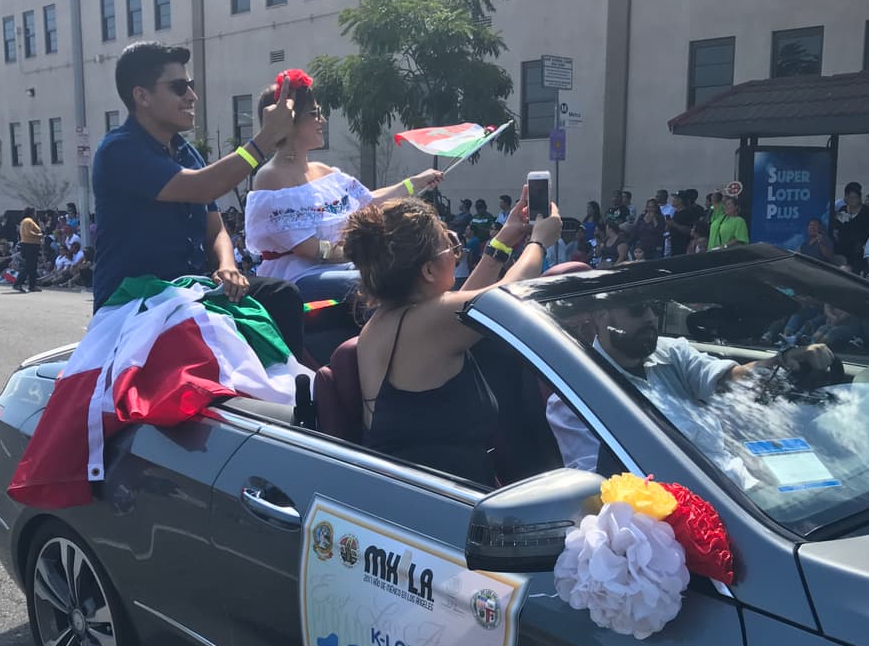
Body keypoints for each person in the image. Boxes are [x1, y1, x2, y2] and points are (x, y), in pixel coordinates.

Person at [345, 187, 562, 486]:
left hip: (419, 496)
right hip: (439, 507)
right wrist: (539, 241)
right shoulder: (427, 321)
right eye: (449, 244)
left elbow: (466, 307)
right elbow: (503, 300)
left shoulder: (392, 319)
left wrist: (502, 243)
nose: (456, 251)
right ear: (429, 271)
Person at [90, 41, 302, 344]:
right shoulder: (118, 150)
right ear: (142, 96)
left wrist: (227, 267)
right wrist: (266, 139)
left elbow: (215, 229)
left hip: (186, 295)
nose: (192, 96)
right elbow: (203, 187)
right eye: (179, 87)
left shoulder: (184, 151)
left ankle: (296, 389)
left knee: (281, 296)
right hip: (134, 306)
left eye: (190, 85)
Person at [544, 292, 834, 486]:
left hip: (748, 486)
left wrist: (781, 361)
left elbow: (727, 380)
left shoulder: (671, 353)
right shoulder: (574, 399)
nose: (649, 318)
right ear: (600, 316)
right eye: (637, 309)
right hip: (697, 523)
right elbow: (602, 489)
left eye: (654, 308)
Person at [244, 68, 442, 302]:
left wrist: (415, 182)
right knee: (379, 282)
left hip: (339, 269)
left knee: (407, 273)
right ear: (288, 120)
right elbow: (309, 249)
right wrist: (363, 256)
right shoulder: (270, 177)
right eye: (314, 113)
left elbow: (370, 203)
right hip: (297, 279)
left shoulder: (326, 173)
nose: (322, 120)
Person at [14, 207, 43, 293]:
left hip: (31, 245)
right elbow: (28, 233)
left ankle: (32, 285)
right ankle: (18, 283)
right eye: (35, 212)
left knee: (32, 267)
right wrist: (39, 235)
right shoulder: (28, 221)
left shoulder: (27, 221)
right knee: (28, 266)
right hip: (29, 245)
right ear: (31, 213)